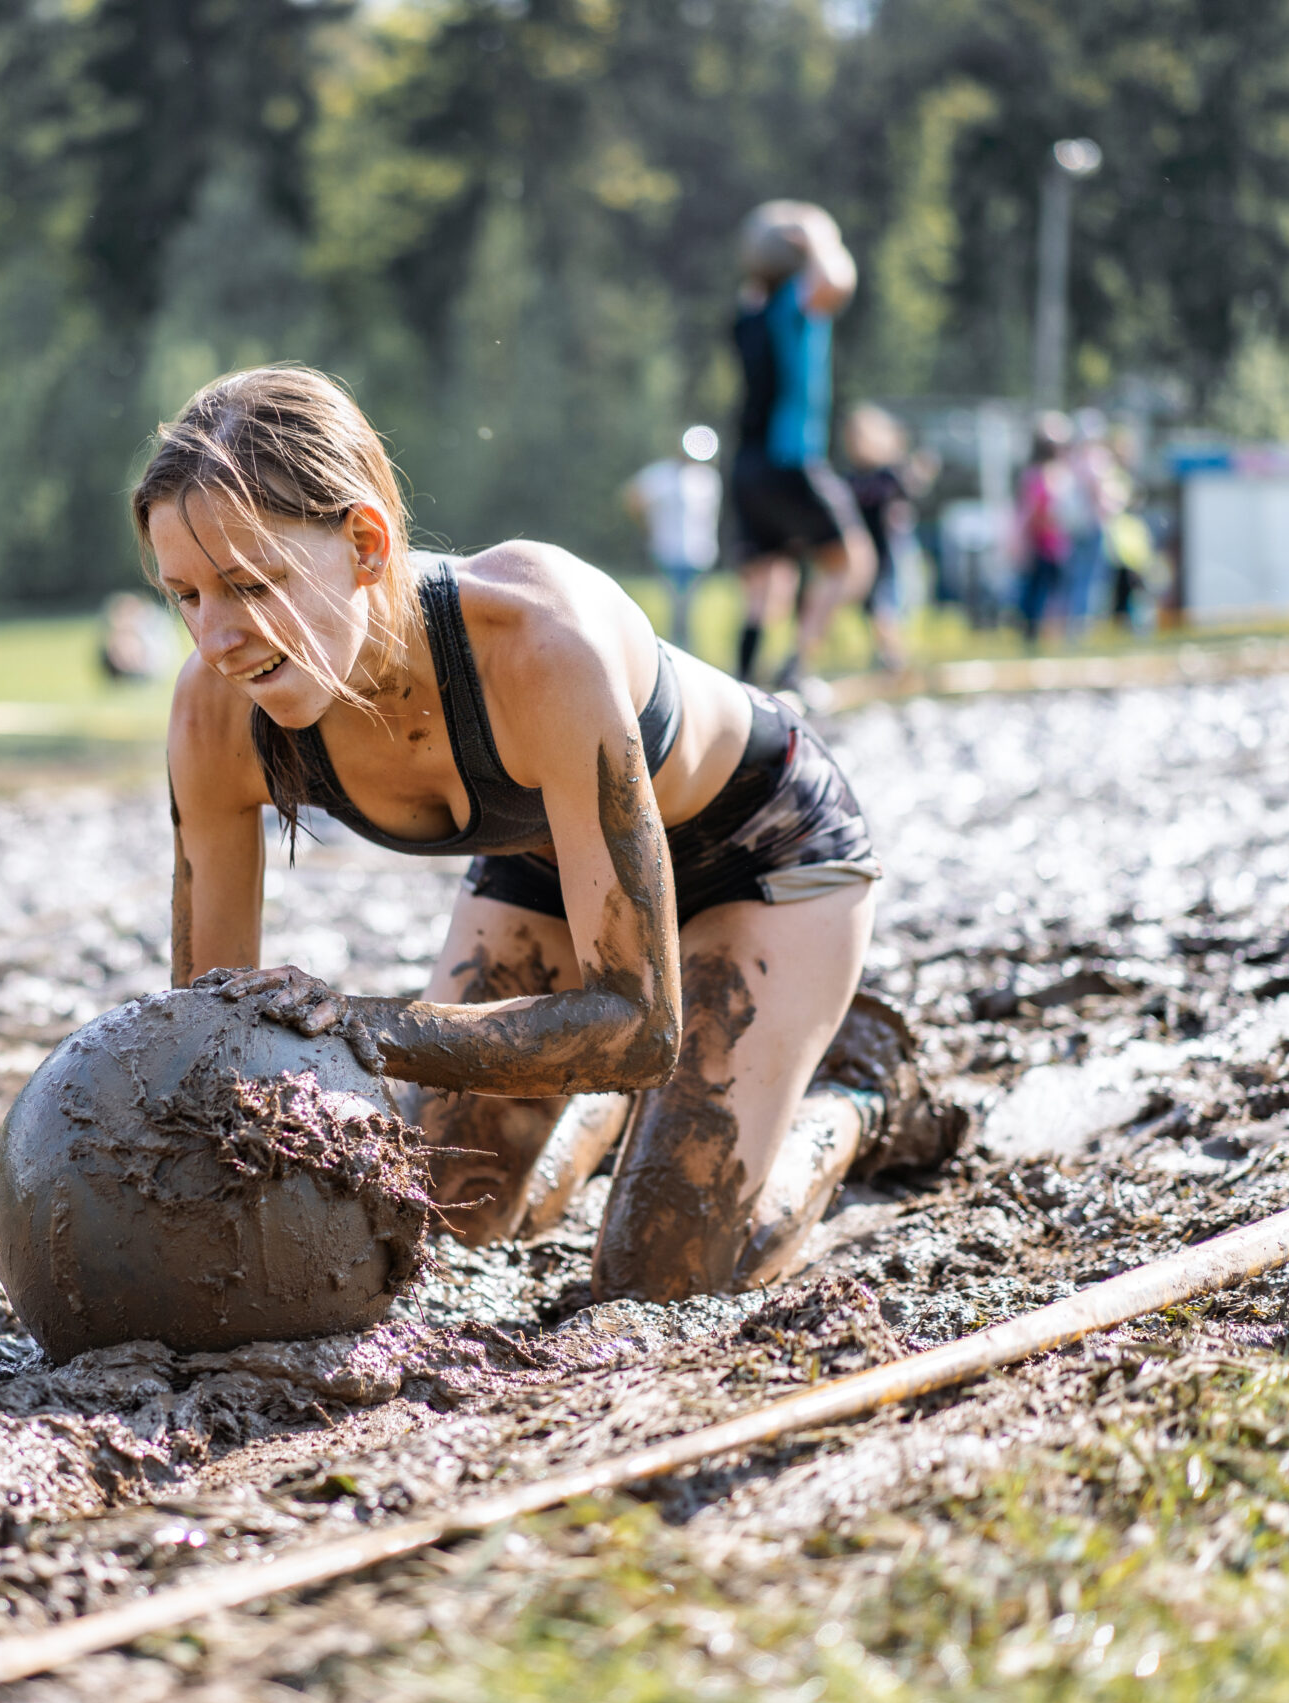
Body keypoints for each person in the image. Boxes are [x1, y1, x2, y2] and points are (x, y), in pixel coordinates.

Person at [149, 366, 962, 1304]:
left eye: (253, 584)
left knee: (660, 1272)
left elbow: (640, 1026)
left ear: (364, 543)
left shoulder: (538, 639)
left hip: (762, 852)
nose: (216, 639)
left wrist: (365, 1025)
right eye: (187, 596)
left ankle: (860, 1096)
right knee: (441, 1206)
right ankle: (612, 1117)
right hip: (556, 866)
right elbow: (207, 1024)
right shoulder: (214, 714)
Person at [726, 202, 875, 690]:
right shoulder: (795, 304)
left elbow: (759, 267)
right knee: (854, 563)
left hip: (747, 464)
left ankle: (745, 677)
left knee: (770, 578)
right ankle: (797, 665)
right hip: (790, 458)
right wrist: (816, 234)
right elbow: (839, 280)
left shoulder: (749, 311)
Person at [839, 404, 934, 673]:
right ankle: (889, 656)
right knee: (873, 606)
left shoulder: (889, 474)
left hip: (890, 551)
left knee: (886, 605)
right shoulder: (853, 478)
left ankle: (894, 657)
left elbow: (911, 487)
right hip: (865, 552)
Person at [623, 426, 724, 652]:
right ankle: (673, 648)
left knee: (688, 608)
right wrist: (647, 527)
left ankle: (681, 649)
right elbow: (634, 497)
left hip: (698, 554)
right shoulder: (662, 474)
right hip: (668, 551)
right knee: (676, 607)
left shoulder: (708, 479)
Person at [1014, 414, 1076, 647]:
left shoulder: (1045, 473)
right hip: (1044, 543)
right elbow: (1038, 512)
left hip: (1053, 542)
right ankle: (1036, 634)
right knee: (1040, 591)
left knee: (1048, 591)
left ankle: (1049, 633)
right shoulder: (1040, 474)